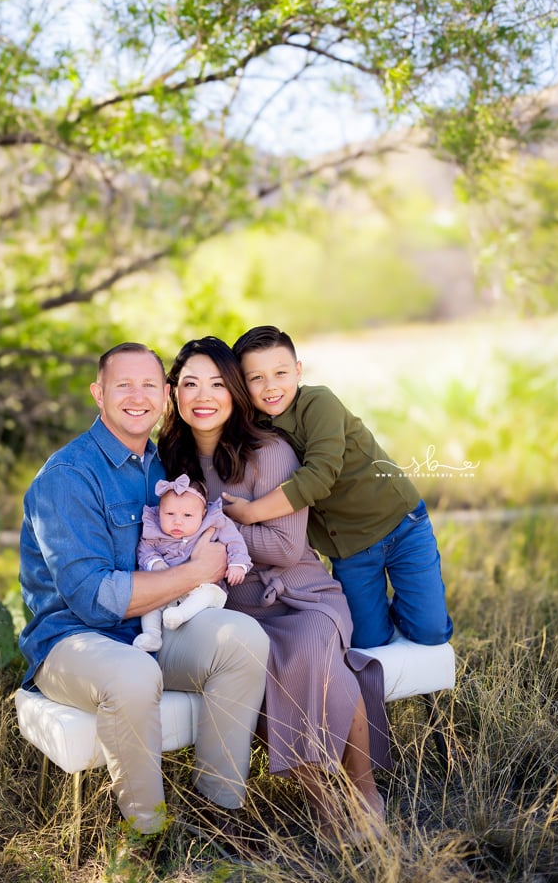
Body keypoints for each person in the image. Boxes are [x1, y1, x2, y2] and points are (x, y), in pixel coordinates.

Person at [18, 342, 269, 845]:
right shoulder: (68, 477)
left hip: (148, 628)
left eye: (150, 385)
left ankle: (219, 811)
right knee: (132, 672)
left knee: (243, 637)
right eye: (123, 385)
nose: (138, 396)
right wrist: (198, 571)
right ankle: (148, 836)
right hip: (72, 640)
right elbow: (93, 598)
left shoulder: (162, 470)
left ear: (165, 395)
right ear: (98, 393)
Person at [158, 336, 391, 845]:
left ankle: (365, 789)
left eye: (218, 383)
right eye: (190, 383)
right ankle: (324, 803)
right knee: (253, 663)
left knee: (311, 648)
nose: (204, 395)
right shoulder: (169, 460)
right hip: (233, 602)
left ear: (235, 392)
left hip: (301, 592)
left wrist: (214, 531)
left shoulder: (271, 452)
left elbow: (285, 548)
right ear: (174, 393)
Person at [224, 325, 453, 650]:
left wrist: (249, 513)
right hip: (350, 548)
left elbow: (320, 476)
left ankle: (411, 611)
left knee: (430, 631)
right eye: (256, 378)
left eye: (280, 373)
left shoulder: (319, 403)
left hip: (400, 525)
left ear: (298, 371)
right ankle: (380, 618)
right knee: (367, 640)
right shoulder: (254, 429)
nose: (270, 386)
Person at [133, 474, 252, 652]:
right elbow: (144, 549)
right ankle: (152, 635)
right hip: (166, 587)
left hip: (200, 586)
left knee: (209, 593)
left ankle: (180, 615)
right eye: (169, 514)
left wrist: (238, 564)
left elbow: (235, 542)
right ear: (159, 513)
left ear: (203, 514)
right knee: (150, 602)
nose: (177, 521)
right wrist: (154, 562)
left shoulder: (215, 523)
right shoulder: (154, 529)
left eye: (188, 515)